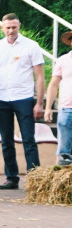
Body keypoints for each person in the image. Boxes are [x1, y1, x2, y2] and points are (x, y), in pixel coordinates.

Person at [0, 13, 45, 190]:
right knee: (6, 141)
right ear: (2, 28)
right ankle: (11, 177)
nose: (11, 30)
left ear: (19, 25)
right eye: (8, 27)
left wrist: (39, 103)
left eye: (14, 27)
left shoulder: (31, 46)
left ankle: (35, 179)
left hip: (24, 97)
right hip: (1, 97)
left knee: (29, 139)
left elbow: (40, 76)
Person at [45, 30, 72, 166]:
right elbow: (53, 84)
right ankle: (59, 183)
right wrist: (48, 108)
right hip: (67, 108)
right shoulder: (62, 60)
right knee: (63, 150)